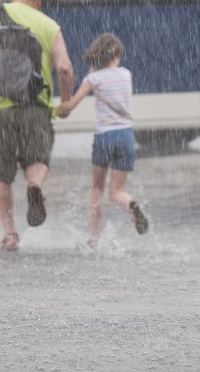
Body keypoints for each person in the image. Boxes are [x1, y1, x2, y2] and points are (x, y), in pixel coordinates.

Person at [0, 0, 74, 251]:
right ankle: (34, 184)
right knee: (37, 158)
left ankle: (10, 233)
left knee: (0, 173)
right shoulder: (49, 24)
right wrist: (65, 100)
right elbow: (64, 68)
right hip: (37, 105)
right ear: (40, 0)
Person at [55, 33, 148, 248]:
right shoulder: (126, 74)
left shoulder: (93, 79)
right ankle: (130, 203)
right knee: (116, 191)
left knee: (97, 187)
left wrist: (57, 110)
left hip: (104, 137)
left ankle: (94, 237)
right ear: (116, 54)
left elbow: (70, 105)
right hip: (125, 135)